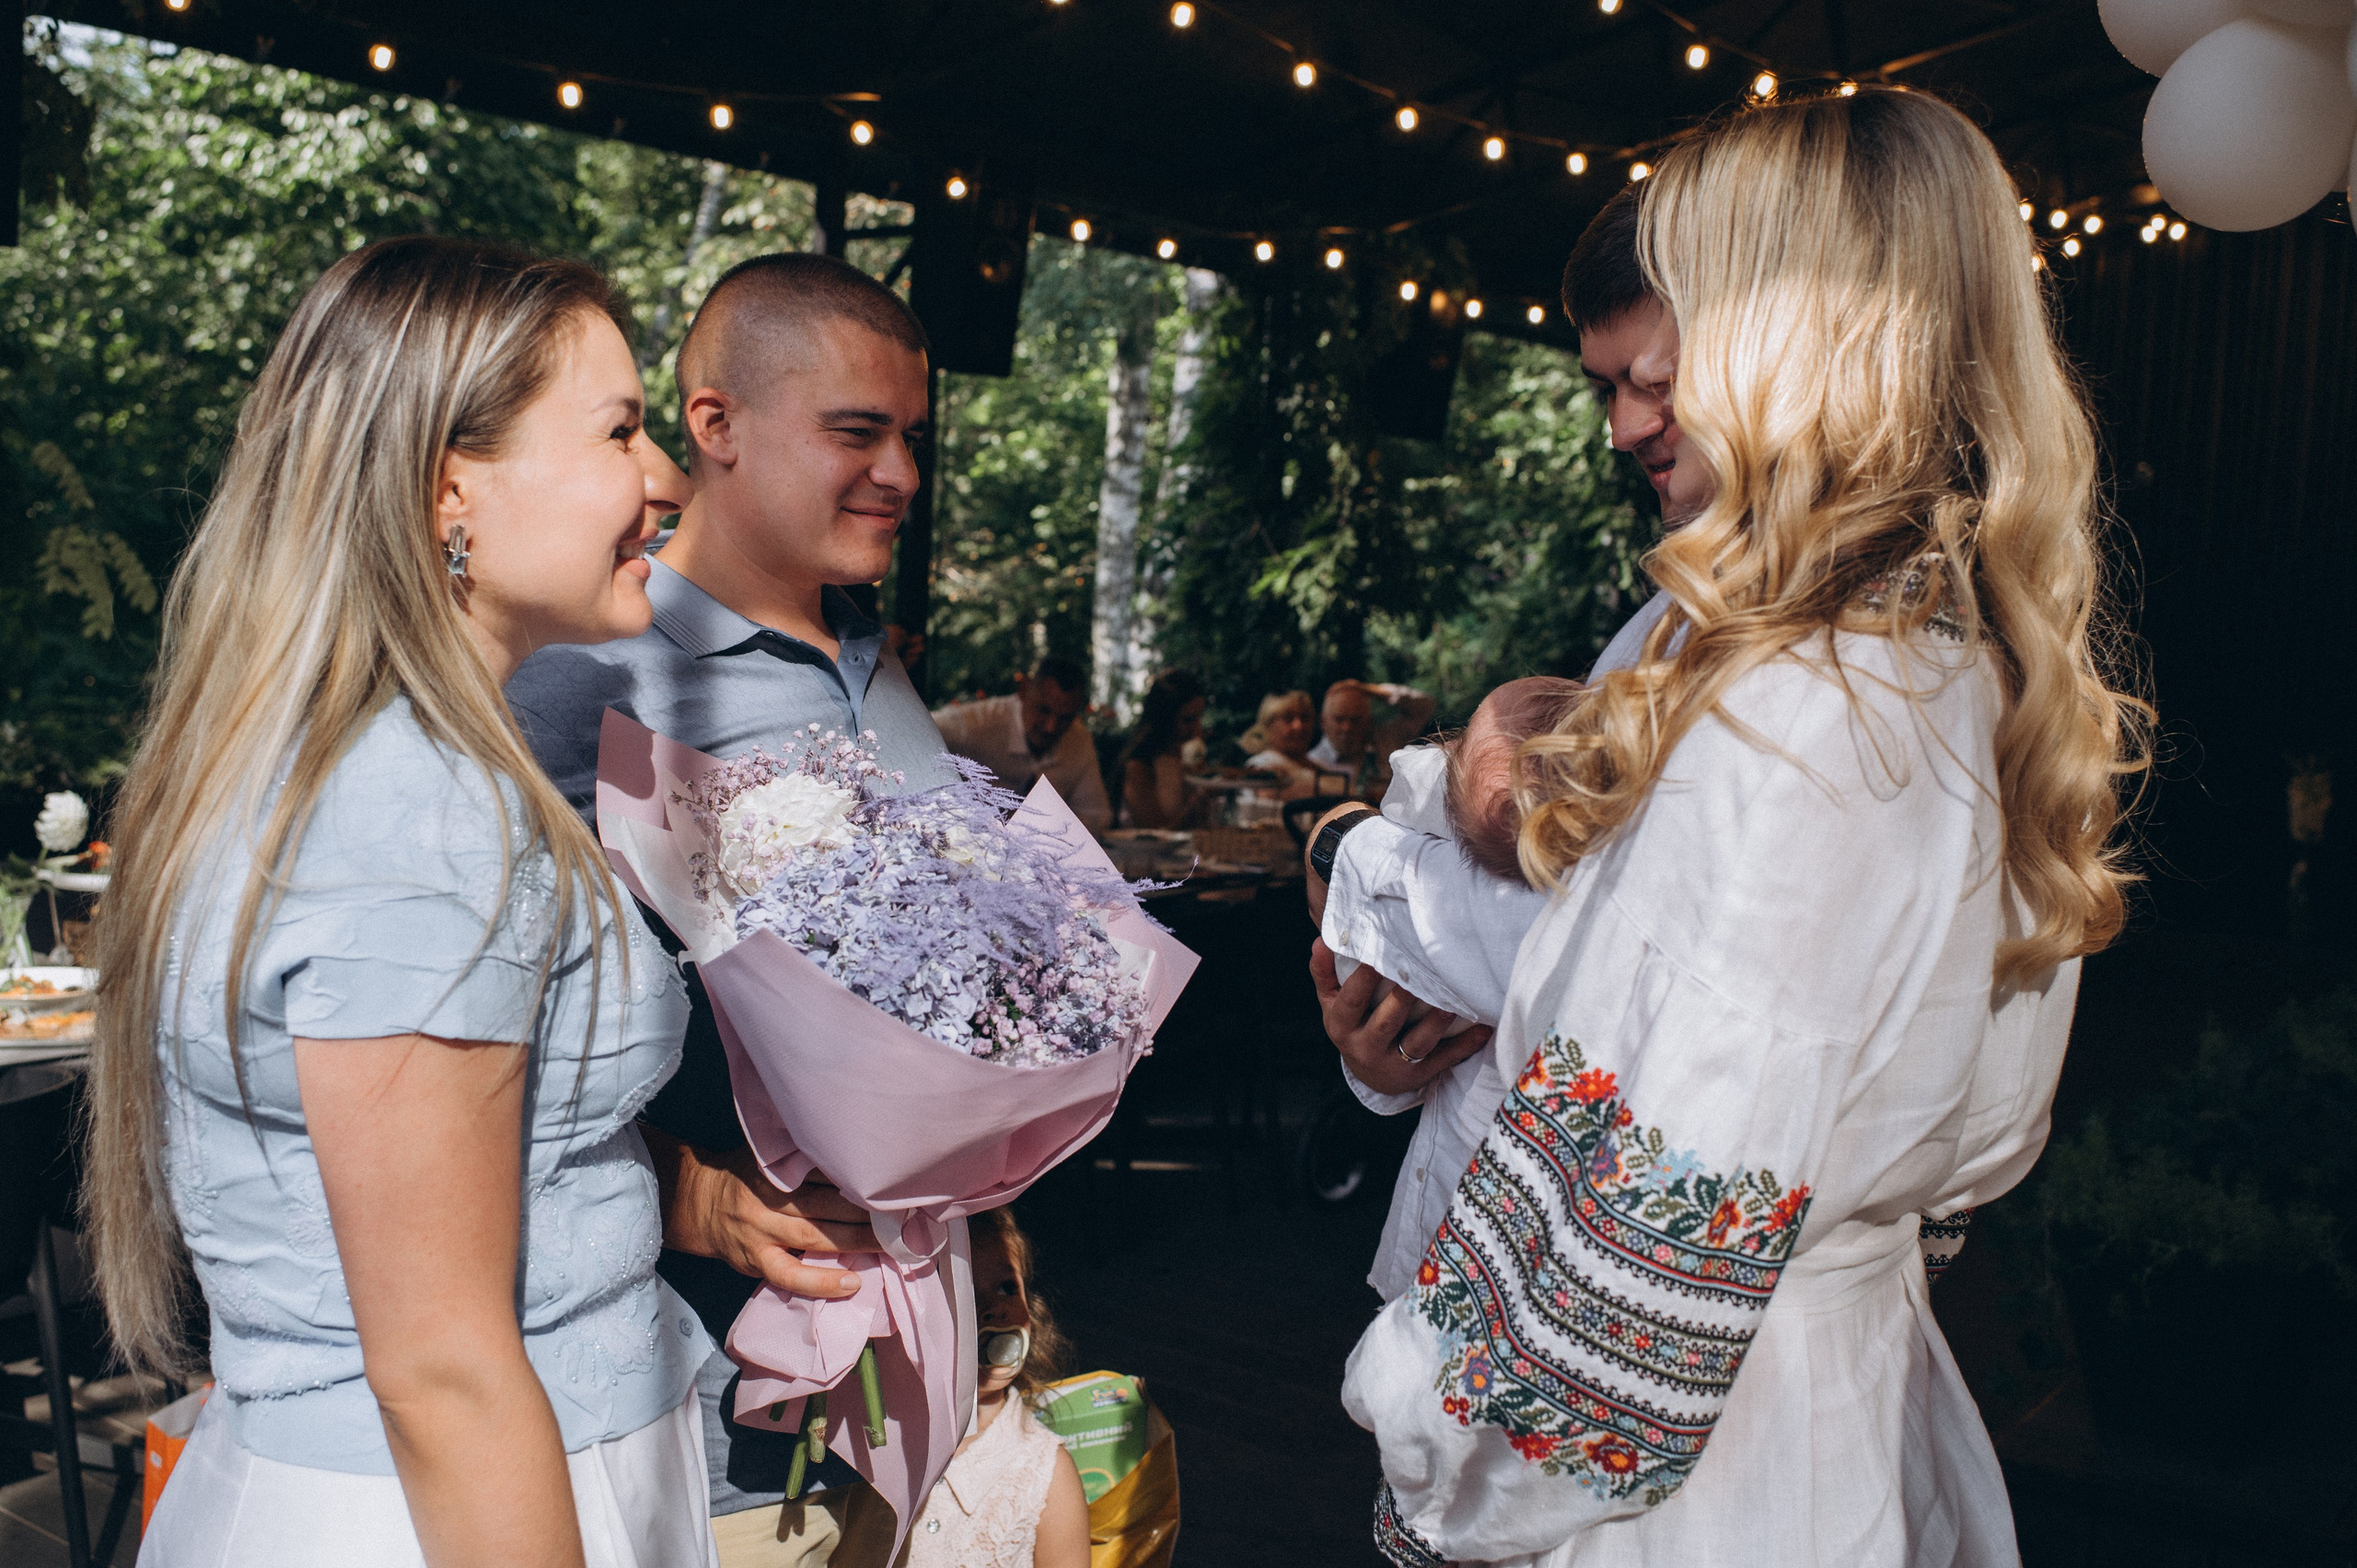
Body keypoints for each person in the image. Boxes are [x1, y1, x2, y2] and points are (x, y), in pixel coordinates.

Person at [1329, 88, 2151, 1567]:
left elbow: (1627, 1308)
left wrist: (1432, 1444)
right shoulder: (1962, 657)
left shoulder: (1803, 708)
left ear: (1807, 332)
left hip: (1680, 1485)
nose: (1623, 417)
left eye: (1670, 350)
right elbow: (1974, 1135)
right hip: (1833, 1392)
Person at [86, 237, 715, 1567]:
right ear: (450, 488)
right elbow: (440, 1367)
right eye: (620, 430)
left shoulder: (367, 762)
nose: (661, 480)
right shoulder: (414, 812)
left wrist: (687, 1202)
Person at [505, 250, 946, 1568]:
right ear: (715, 429)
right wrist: (684, 1187)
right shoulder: (580, 675)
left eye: (912, 438)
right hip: (710, 1341)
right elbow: (462, 1034)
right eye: (857, 433)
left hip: (912, 1310)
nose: (902, 475)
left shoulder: (875, 657)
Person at [900, 1209, 1090, 1568]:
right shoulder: (888, 1441)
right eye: (965, 1293)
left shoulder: (1045, 1472)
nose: (994, 1309)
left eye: (1007, 1288)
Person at [932, 656, 1111, 829]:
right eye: (1043, 710)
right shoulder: (972, 726)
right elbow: (910, 730)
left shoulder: (1078, 740)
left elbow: (1095, 815)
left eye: (1065, 718)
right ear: (1024, 690)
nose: (1051, 727)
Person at [1114, 670, 1209, 830]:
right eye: (1189, 720)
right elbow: (1157, 833)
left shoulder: (1186, 758)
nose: (1198, 730)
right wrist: (1199, 798)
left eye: (1199, 718)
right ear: (1166, 720)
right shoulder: (1139, 765)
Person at [1308, 679, 1434, 797]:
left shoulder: (1387, 742)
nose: (1347, 728)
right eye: (1339, 719)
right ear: (1322, 722)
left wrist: (1370, 690)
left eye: (1355, 720)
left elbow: (1425, 706)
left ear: (1369, 721)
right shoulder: (1311, 763)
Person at [1238, 690, 1329, 800]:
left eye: (1305, 718)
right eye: (1288, 718)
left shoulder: (1322, 766)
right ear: (1268, 725)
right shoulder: (1261, 766)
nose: (1298, 726)